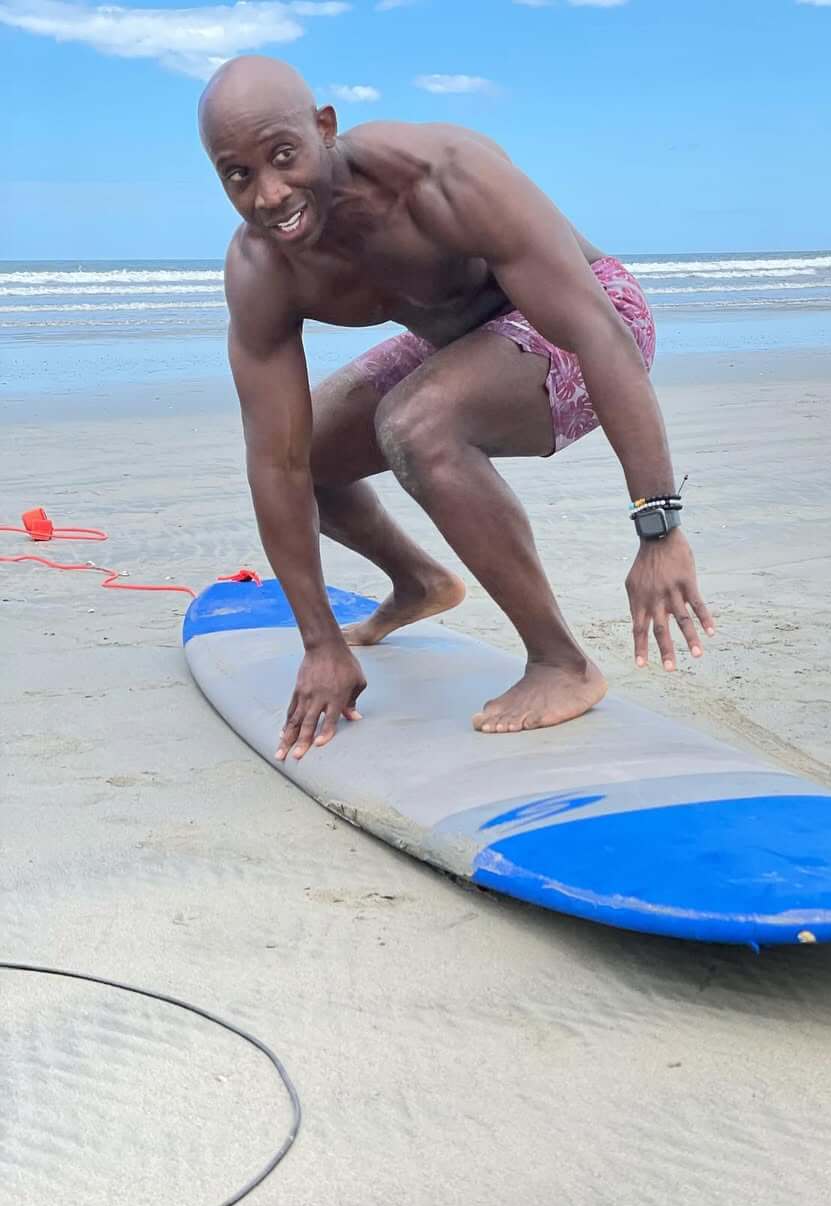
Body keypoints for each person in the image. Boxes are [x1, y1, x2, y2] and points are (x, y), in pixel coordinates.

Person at [198, 56, 713, 762]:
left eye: (283, 157)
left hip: (597, 318)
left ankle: (561, 663)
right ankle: (418, 582)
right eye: (239, 176)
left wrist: (659, 530)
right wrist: (318, 643)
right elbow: (275, 461)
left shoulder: (441, 175)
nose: (270, 194)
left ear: (324, 129)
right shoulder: (261, 271)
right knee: (311, 450)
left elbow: (598, 331)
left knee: (416, 425)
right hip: (465, 340)